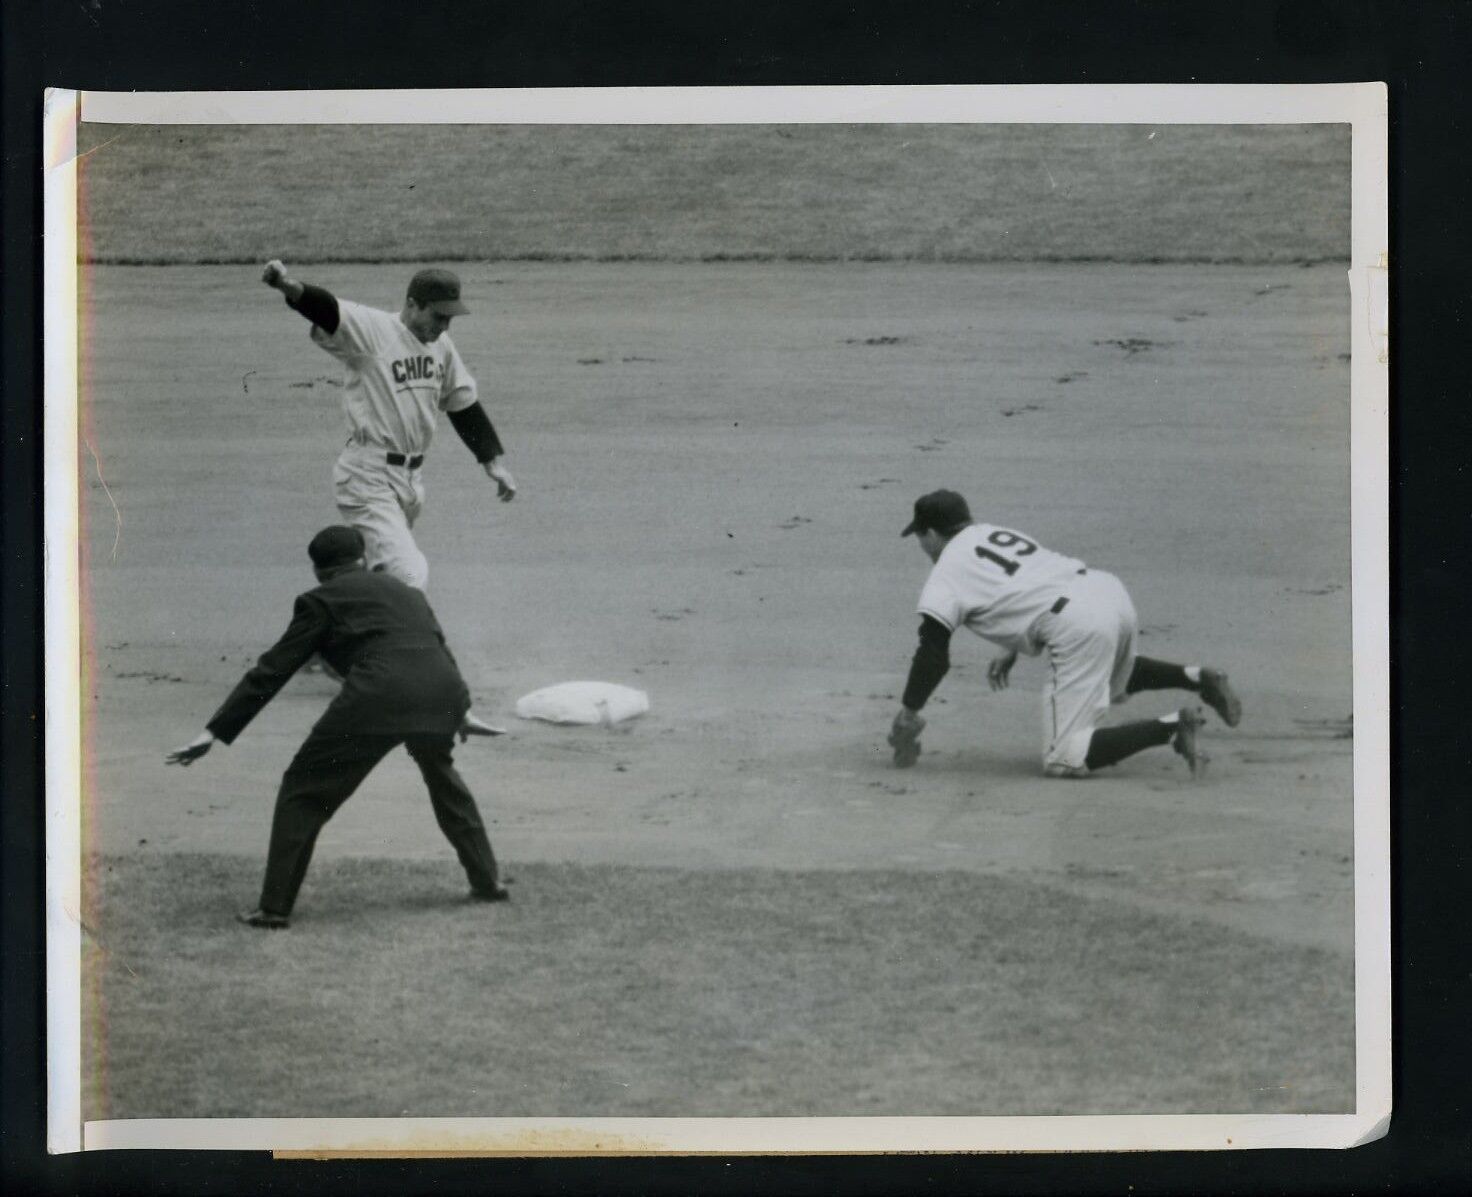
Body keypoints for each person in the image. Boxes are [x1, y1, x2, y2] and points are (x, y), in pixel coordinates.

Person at [166, 526, 511, 928]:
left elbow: (273, 670)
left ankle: (274, 908)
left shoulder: (319, 601)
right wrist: (461, 710)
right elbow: (438, 648)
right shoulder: (409, 592)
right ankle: (488, 881)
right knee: (442, 776)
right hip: (440, 690)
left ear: (317, 571)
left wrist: (214, 731)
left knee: (303, 791)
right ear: (362, 558)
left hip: (376, 697)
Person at [887, 490, 1242, 779]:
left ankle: (1172, 727)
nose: (921, 546)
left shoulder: (945, 573)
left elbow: (932, 655)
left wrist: (908, 712)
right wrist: (1011, 647)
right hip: (1107, 591)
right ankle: (1198, 677)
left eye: (920, 537)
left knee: (1064, 757)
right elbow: (1027, 584)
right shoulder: (993, 532)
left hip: (1077, 621)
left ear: (930, 534)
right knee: (1104, 679)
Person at [261, 259, 518, 590]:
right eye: (438, 316)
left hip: (409, 483)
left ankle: (346, 633)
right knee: (408, 576)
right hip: (368, 478)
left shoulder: (441, 346)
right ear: (412, 304)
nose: (444, 326)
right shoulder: (374, 331)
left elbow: (461, 401)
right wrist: (285, 285)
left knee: (379, 582)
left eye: (449, 318)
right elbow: (326, 309)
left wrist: (491, 462)